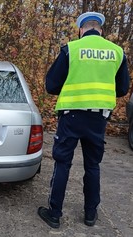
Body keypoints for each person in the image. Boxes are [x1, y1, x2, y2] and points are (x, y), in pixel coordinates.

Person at [38, 12, 130, 228]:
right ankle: (90, 214)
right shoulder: (117, 52)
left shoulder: (72, 49)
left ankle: (54, 214)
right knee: (93, 165)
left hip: (71, 116)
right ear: (100, 30)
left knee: (62, 163)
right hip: (99, 118)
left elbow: (51, 85)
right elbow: (123, 88)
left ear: (81, 29)